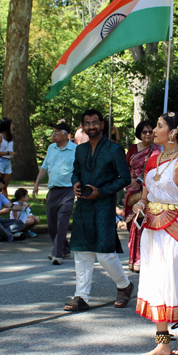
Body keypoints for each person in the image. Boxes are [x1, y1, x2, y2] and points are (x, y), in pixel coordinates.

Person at [132, 112, 178, 355]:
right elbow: (145, 194)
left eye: (159, 126)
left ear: (173, 133)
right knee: (154, 282)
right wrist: (140, 205)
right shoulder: (153, 159)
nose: (153, 129)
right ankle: (162, 342)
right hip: (152, 229)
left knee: (173, 282)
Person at [63, 109, 132, 312]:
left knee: (104, 254)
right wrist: (76, 183)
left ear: (102, 125)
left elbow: (124, 178)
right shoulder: (80, 149)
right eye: (87, 123)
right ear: (82, 126)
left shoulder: (114, 149)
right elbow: (76, 171)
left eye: (95, 122)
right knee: (82, 252)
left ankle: (125, 285)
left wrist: (100, 191)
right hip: (83, 205)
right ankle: (81, 296)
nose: (91, 126)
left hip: (103, 205)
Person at [33, 121, 77, 265]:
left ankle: (57, 254)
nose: (53, 135)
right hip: (53, 191)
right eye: (53, 132)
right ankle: (64, 249)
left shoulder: (76, 149)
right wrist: (36, 185)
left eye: (56, 132)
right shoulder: (51, 148)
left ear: (66, 135)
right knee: (52, 225)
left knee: (62, 223)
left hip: (68, 190)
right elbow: (44, 168)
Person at [124, 119, 160, 273]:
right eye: (144, 131)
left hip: (151, 191)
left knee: (144, 223)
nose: (147, 134)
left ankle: (142, 258)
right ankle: (133, 258)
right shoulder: (133, 149)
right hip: (133, 191)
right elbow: (124, 167)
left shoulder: (159, 149)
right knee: (133, 224)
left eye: (150, 131)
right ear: (139, 133)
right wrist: (129, 179)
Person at [0, 118, 16, 197]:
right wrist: (9, 153)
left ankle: (6, 205)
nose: (12, 126)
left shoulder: (10, 137)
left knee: (4, 186)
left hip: (8, 161)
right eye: (11, 124)